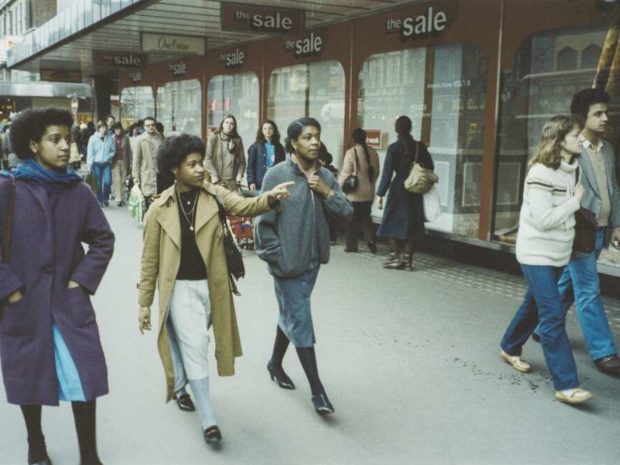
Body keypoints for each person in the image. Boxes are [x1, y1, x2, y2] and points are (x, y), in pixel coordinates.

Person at [137, 134, 292, 446]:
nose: (199, 169)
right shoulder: (158, 209)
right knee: (195, 345)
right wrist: (144, 303)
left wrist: (270, 198)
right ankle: (208, 419)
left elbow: (245, 205)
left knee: (197, 341)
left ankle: (181, 385)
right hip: (179, 288)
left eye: (199, 162)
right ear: (174, 169)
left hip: (213, 287)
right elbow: (149, 259)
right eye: (191, 164)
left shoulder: (214, 194)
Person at [0, 108, 115, 464]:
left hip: (68, 305)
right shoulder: (10, 189)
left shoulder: (78, 191)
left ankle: (89, 454)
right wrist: (10, 290)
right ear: (34, 145)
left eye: (68, 138)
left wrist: (79, 282)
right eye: (55, 139)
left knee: (85, 377)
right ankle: (37, 445)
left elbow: (103, 240)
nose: (66, 146)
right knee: (27, 379)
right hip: (24, 305)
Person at [255, 117, 353, 415]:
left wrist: (326, 191)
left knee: (292, 314)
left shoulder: (325, 175)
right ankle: (318, 392)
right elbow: (263, 222)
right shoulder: (276, 174)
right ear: (294, 142)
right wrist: (277, 257)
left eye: (317, 137)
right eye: (307, 137)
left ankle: (274, 363)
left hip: (312, 263)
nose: (314, 142)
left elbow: (347, 213)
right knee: (301, 318)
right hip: (287, 265)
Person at [500, 115, 592, 404]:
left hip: (558, 253)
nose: (581, 139)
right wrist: (575, 201)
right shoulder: (540, 172)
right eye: (576, 134)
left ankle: (509, 345)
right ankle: (566, 384)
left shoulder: (572, 170)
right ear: (560, 139)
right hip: (536, 253)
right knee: (552, 315)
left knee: (533, 304)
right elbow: (542, 220)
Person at [532, 89, 620, 375]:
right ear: (583, 118)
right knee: (588, 289)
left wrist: (616, 224)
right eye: (598, 113)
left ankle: (539, 325)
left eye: (606, 112)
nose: (605, 118)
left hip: (601, 228)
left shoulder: (606, 149)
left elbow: (613, 188)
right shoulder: (572, 147)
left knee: (568, 283)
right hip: (579, 229)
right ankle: (603, 352)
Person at [376, 116, 433, 271]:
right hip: (415, 189)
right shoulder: (420, 147)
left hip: (398, 188)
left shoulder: (393, 148)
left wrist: (380, 193)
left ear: (396, 129)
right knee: (412, 225)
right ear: (410, 128)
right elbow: (430, 167)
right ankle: (407, 260)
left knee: (391, 222)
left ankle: (394, 256)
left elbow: (387, 173)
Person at [338, 128, 380, 253]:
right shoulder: (374, 152)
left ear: (354, 139)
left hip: (355, 193)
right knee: (366, 218)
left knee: (351, 220)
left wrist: (339, 187)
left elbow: (346, 172)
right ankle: (371, 240)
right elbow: (376, 172)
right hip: (369, 192)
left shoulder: (351, 152)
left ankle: (351, 246)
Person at [204, 115, 246, 191]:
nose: (229, 125)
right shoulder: (214, 137)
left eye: (231, 123)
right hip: (216, 181)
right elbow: (207, 160)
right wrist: (214, 175)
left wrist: (239, 175)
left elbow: (242, 162)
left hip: (232, 182)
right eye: (226, 122)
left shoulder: (237, 140)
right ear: (222, 124)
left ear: (234, 126)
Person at [132, 116, 164, 207]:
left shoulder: (160, 138)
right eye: (148, 125)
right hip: (147, 174)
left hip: (159, 175)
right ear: (144, 127)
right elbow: (136, 159)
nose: (151, 127)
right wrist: (135, 176)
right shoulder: (140, 139)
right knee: (148, 200)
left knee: (159, 201)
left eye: (152, 125)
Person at [246, 119, 285, 191]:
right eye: (265, 128)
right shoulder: (255, 146)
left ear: (274, 130)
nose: (268, 130)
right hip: (260, 183)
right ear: (261, 130)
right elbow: (251, 166)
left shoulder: (279, 147)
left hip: (275, 183)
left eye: (270, 128)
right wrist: (251, 182)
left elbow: (283, 166)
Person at [87, 121, 115, 207]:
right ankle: (100, 200)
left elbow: (113, 150)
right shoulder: (93, 138)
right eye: (101, 127)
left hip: (106, 163)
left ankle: (105, 197)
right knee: (98, 183)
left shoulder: (110, 138)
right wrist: (89, 164)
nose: (103, 129)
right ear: (98, 128)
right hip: (96, 163)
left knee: (107, 181)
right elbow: (90, 152)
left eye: (104, 127)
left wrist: (109, 156)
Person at [110, 122, 132, 207]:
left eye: (119, 129)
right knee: (117, 180)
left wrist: (130, 163)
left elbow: (129, 151)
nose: (117, 131)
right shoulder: (111, 138)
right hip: (114, 161)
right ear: (114, 130)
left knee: (123, 181)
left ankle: (122, 198)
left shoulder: (126, 138)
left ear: (121, 129)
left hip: (124, 161)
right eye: (116, 129)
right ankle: (118, 198)